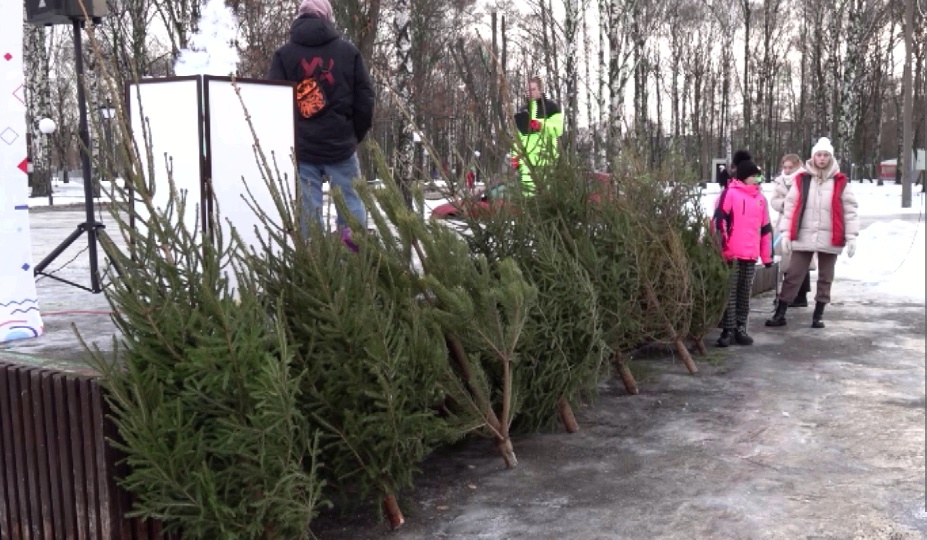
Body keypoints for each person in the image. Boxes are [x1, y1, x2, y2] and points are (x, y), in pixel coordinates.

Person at [267, 0, 375, 235]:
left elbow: (272, 102)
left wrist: (288, 139)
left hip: (302, 148)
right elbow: (365, 99)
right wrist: (354, 135)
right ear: (327, 16)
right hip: (341, 145)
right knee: (350, 203)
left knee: (308, 210)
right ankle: (355, 257)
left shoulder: (284, 55)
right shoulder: (348, 52)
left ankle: (314, 263)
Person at [766, 137, 859, 329]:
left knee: (826, 277)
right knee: (793, 274)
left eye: (826, 155)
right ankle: (780, 313)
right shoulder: (802, 180)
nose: (822, 158)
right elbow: (790, 208)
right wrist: (785, 233)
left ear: (831, 158)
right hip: (803, 235)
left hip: (830, 237)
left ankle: (818, 315)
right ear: (813, 157)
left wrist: (851, 237)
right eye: (819, 155)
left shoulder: (840, 182)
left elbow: (850, 210)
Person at [712, 160, 774, 347]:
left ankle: (740, 327)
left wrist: (767, 256)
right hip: (731, 254)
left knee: (744, 293)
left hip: (750, 254)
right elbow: (718, 222)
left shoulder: (761, 200)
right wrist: (722, 248)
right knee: (729, 293)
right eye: (753, 176)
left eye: (759, 176)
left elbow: (765, 229)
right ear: (743, 177)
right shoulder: (730, 194)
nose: (757, 179)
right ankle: (727, 330)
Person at [770, 153, 812, 307]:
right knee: (786, 260)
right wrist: (784, 205)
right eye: (785, 167)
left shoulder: (806, 178)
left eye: (790, 167)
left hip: (802, 224)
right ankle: (788, 295)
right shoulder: (780, 181)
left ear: (797, 165)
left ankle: (801, 296)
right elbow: (774, 201)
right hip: (784, 222)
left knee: (801, 260)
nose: (787, 170)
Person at [511, 77, 563, 195]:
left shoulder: (551, 107)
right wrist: (515, 156)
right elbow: (518, 137)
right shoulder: (523, 110)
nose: (530, 93)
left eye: (533, 89)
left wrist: (541, 125)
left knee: (545, 197)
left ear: (541, 89)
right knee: (528, 199)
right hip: (526, 162)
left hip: (544, 160)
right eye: (528, 90)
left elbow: (558, 128)